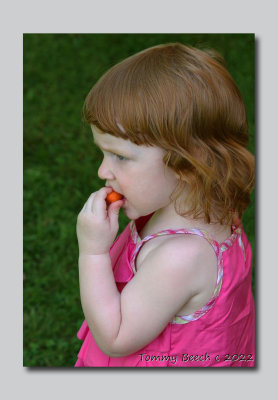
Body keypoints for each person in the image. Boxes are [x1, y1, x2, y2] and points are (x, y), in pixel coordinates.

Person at [75, 43, 255, 367]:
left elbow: (115, 338)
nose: (103, 171)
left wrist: (93, 252)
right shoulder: (212, 208)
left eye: (120, 157)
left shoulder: (180, 257)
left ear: (188, 162)